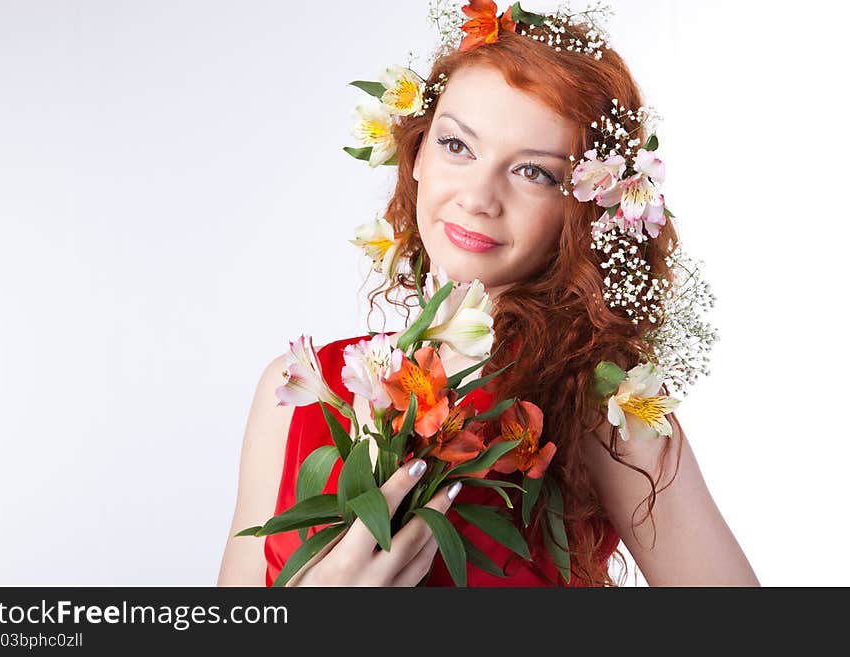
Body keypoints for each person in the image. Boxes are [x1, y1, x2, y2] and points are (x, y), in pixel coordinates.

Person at [217, 1, 759, 587]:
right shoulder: (298, 386)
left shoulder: (601, 403)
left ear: (579, 210)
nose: (479, 196)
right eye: (457, 145)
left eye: (534, 172)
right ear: (418, 152)